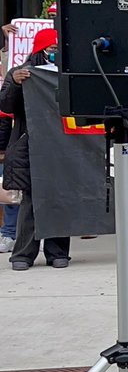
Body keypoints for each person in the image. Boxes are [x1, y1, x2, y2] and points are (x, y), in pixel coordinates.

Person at [2, 28, 71, 270]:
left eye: (57, 50)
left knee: (59, 199)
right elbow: (6, 105)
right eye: (50, 50)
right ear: (39, 52)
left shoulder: (67, 73)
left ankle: (58, 252)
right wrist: (15, 83)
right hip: (30, 145)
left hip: (60, 147)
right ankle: (23, 254)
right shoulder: (20, 73)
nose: (54, 54)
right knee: (30, 201)